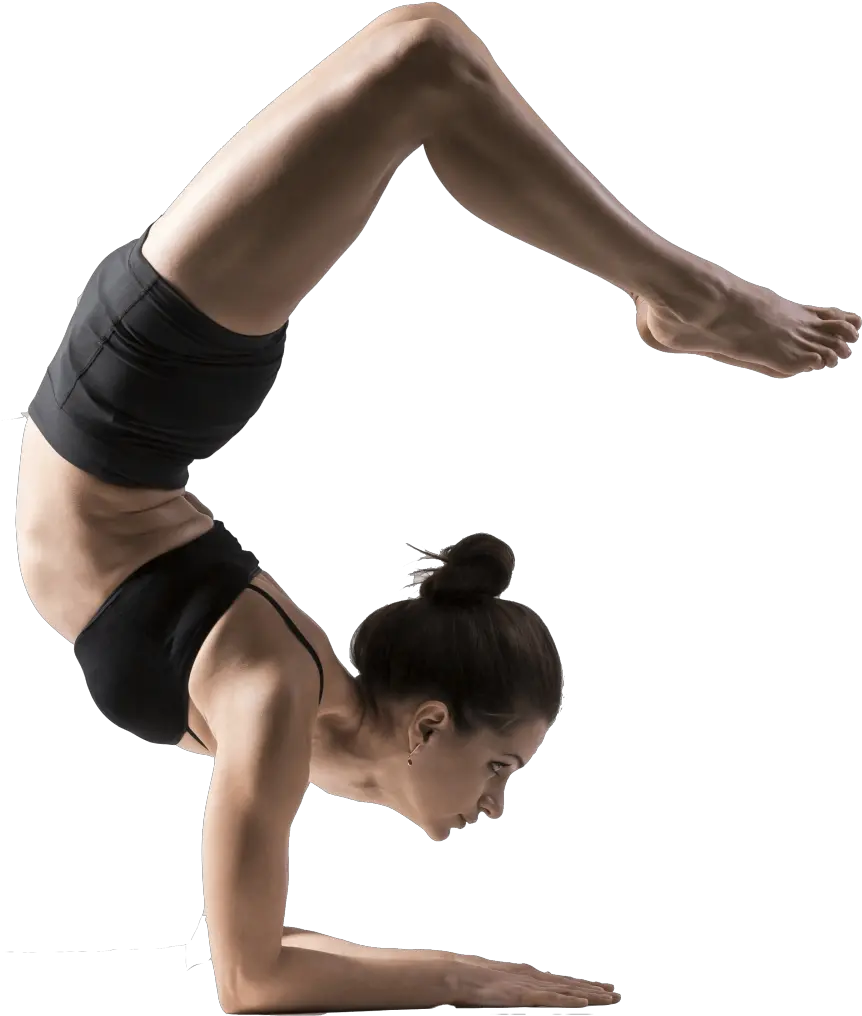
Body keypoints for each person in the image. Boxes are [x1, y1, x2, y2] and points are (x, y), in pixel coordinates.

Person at [28, 1, 813, 1009]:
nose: (496, 805)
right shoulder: (277, 696)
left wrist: (443, 955)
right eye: (499, 768)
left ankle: (678, 294)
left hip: (135, 394)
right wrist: (471, 977)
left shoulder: (314, 725)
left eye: (505, 776)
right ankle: (686, 294)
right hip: (142, 381)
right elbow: (254, 977)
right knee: (423, 57)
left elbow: (269, 946)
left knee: (421, 66)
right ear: (430, 723)